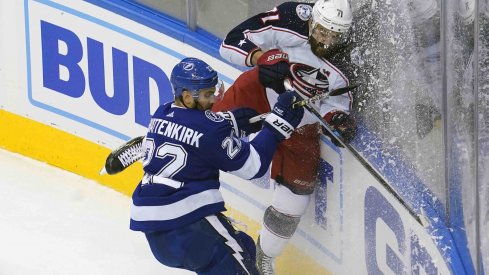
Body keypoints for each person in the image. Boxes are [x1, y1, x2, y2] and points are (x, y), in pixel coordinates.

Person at [216, 0, 357, 273]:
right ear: (312, 21)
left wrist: (338, 121)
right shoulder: (292, 18)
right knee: (208, 129)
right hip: (259, 92)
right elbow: (230, 42)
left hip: (299, 120)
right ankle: (154, 145)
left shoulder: (349, 63)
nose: (326, 42)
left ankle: (265, 254)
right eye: (321, 32)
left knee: (295, 200)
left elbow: (337, 107)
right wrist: (261, 59)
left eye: (335, 36)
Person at [130, 57, 304, 274]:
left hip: (156, 235)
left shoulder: (162, 112)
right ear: (186, 96)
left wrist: (229, 121)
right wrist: (278, 125)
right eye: (206, 95)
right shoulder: (209, 131)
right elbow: (254, 165)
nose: (212, 100)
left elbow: (197, 128)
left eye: (212, 92)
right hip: (190, 226)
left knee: (245, 247)